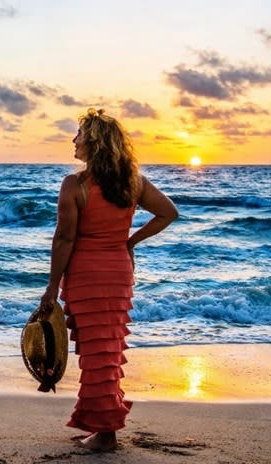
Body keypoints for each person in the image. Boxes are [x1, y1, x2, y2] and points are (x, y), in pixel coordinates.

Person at [40, 108, 178, 451]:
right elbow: (167, 213)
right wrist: (130, 241)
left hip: (85, 275)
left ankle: (106, 432)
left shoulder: (75, 185)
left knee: (95, 352)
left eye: (79, 135)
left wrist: (52, 287)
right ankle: (103, 427)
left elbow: (64, 239)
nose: (74, 140)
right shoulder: (132, 182)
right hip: (117, 272)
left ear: (95, 142)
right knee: (107, 350)